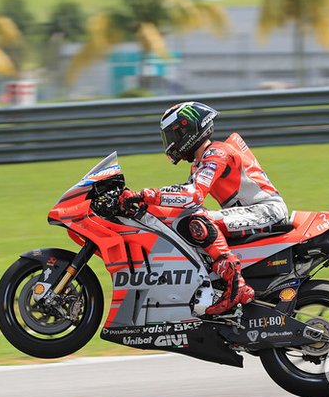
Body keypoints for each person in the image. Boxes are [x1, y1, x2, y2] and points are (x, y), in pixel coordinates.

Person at [120, 101, 289, 316]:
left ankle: (235, 285)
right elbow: (182, 198)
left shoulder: (217, 153)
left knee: (199, 221)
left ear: (188, 131)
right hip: (252, 212)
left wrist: (145, 194)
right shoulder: (199, 162)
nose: (170, 143)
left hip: (267, 210)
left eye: (172, 136)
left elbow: (194, 195)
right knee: (181, 222)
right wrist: (142, 205)